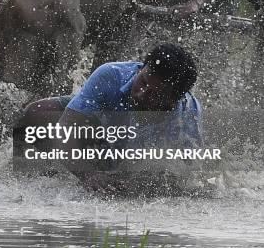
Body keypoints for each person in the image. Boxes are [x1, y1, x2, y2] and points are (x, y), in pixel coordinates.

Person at [14, 44, 203, 191]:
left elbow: (188, 171)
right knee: (35, 112)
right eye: (143, 82)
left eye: (155, 94)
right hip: (98, 125)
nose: (141, 94)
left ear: (172, 100)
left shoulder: (186, 115)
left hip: (126, 146)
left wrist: (143, 182)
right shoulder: (110, 75)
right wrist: (87, 175)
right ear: (141, 69)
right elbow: (65, 130)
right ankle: (34, 169)